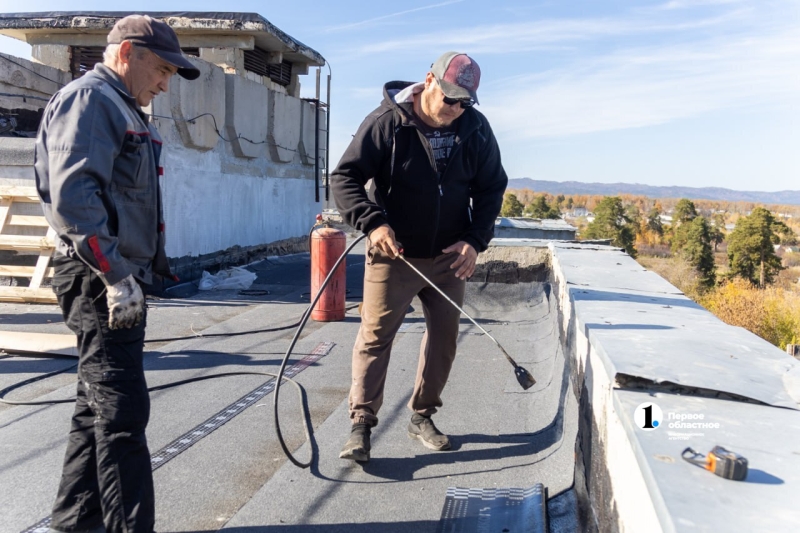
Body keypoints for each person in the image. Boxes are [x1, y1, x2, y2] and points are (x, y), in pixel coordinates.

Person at [34, 15, 199, 533]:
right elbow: (74, 200)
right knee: (122, 417)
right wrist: (115, 277)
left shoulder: (121, 105)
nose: (165, 83)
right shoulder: (92, 100)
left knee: (95, 407)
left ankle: (74, 522)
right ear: (127, 53)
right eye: (162, 69)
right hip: (97, 280)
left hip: (112, 279)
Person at [331, 52, 508, 462]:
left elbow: (491, 189)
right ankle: (360, 426)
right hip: (395, 254)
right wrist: (373, 223)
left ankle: (422, 416)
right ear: (429, 81)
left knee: (444, 339)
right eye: (450, 98)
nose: (456, 109)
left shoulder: (476, 129)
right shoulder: (387, 123)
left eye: (465, 102)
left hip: (450, 257)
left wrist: (474, 241)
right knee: (375, 338)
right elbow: (346, 177)